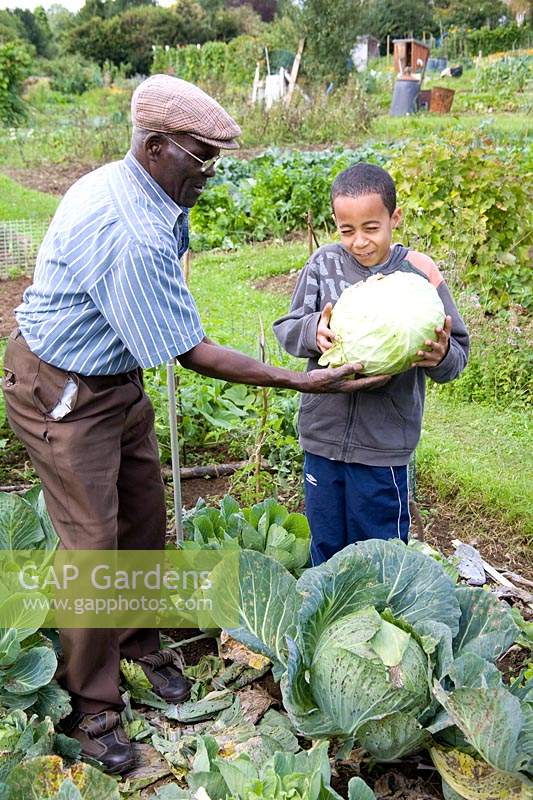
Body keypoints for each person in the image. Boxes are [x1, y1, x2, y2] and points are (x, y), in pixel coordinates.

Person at [1, 76, 387, 775]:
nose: (211, 173)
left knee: (144, 518)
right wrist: (297, 377)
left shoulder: (146, 189)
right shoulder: (130, 228)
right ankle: (92, 703)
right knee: (91, 548)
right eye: (201, 157)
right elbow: (190, 352)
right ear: (153, 146)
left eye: (216, 158)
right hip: (61, 391)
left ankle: (139, 640)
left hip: (113, 380)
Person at [273, 162, 469, 566]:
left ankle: (381, 621)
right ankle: (330, 623)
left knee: (381, 555)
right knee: (325, 546)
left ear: (394, 218)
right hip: (322, 437)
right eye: (347, 231)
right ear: (336, 225)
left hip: (384, 448)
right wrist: (314, 331)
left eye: (371, 228)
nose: (359, 242)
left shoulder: (419, 274)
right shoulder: (323, 265)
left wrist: (441, 355)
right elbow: (287, 328)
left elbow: (457, 357)